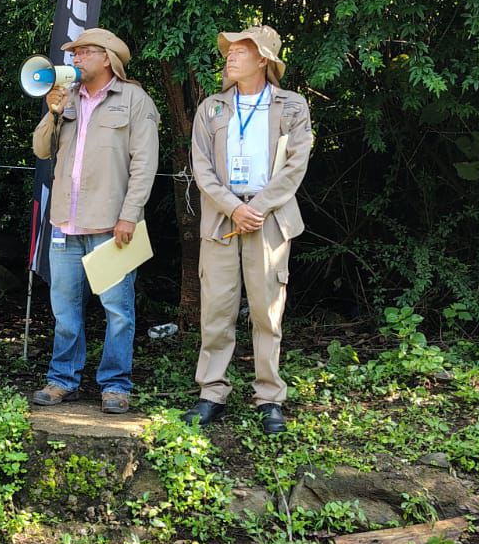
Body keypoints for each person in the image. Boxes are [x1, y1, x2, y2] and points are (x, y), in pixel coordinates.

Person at [184, 26, 313, 435]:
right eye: (229, 50)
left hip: (268, 216)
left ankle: (269, 397)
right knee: (217, 309)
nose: (231, 56)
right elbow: (201, 166)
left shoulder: (292, 106)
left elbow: (296, 164)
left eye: (242, 50)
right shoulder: (212, 108)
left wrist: (254, 207)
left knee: (266, 310)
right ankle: (211, 392)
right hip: (223, 217)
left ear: (264, 59)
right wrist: (234, 207)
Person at [30, 28, 158, 414]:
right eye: (75, 53)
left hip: (110, 226)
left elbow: (145, 165)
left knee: (118, 313)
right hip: (65, 224)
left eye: (84, 52)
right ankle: (62, 380)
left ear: (108, 58)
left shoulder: (135, 100)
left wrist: (129, 216)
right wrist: (52, 114)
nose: (76, 59)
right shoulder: (65, 98)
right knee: (64, 311)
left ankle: (116, 385)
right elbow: (41, 149)